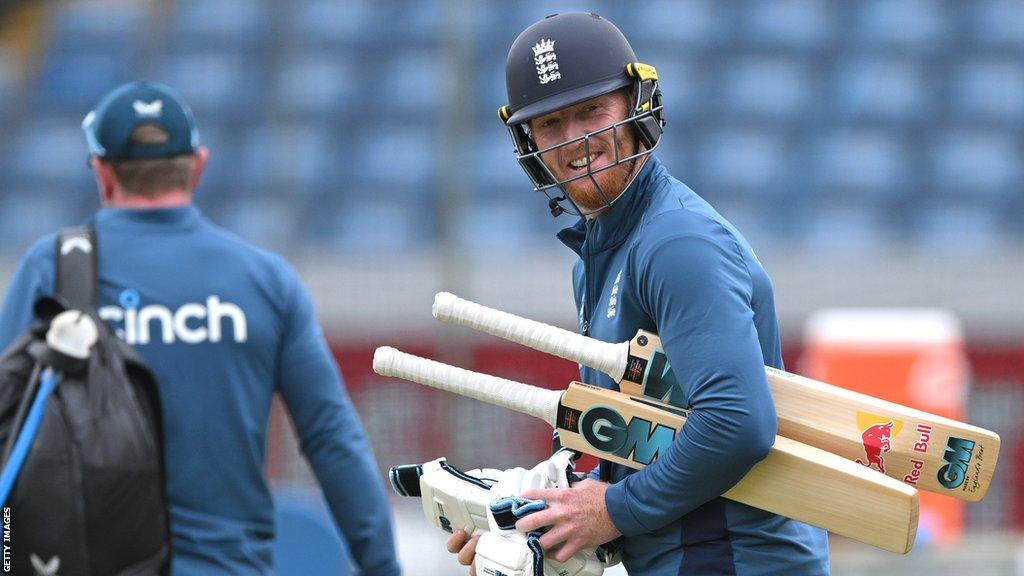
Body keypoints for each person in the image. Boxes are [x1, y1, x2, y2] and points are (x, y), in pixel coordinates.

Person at [447, 13, 831, 575]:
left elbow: (738, 423)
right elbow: (643, 446)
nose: (574, 138)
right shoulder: (603, 253)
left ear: (636, 106)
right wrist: (530, 514)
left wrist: (614, 510)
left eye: (590, 111)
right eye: (550, 124)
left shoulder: (677, 244)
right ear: (527, 141)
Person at [0, 81, 401, 575]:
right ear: (199, 166)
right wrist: (381, 567)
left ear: (102, 173)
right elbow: (331, 437)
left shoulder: (52, 270)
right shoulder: (264, 280)